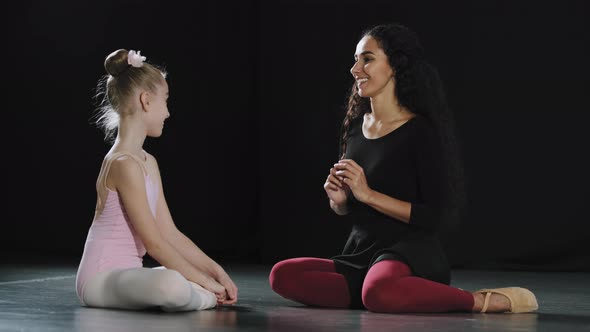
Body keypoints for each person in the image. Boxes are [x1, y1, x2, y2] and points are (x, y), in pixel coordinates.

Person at [269, 24, 538, 314]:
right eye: (356, 59)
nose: (355, 69)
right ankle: (393, 295)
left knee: (378, 290)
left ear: (395, 65)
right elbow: (349, 208)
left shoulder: (420, 132)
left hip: (410, 253)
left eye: (367, 59)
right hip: (361, 253)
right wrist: (342, 202)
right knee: (282, 274)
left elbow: (433, 217)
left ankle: (477, 300)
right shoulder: (355, 128)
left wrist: (368, 194)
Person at [75, 49, 238, 311]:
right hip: (100, 279)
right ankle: (200, 297)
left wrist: (214, 271)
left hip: (129, 276)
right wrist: (206, 282)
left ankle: (195, 293)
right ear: (146, 101)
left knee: (178, 279)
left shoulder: (147, 162)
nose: (168, 113)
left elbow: (169, 232)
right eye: (166, 100)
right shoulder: (122, 163)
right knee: (171, 284)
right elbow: (153, 243)